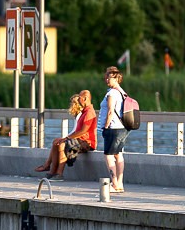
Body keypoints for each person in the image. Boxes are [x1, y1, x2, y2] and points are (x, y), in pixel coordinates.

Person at [34, 90, 97, 179]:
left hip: (86, 143)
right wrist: (66, 138)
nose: (78, 101)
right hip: (80, 140)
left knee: (62, 144)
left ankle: (59, 174)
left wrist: (66, 138)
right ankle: (51, 170)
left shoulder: (89, 112)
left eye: (79, 98)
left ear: (85, 99)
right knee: (56, 141)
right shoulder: (84, 112)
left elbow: (83, 131)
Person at [97, 66, 129, 194]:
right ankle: (120, 183)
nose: (106, 80)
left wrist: (105, 126)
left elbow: (110, 111)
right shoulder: (121, 92)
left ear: (116, 79)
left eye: (109, 78)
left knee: (108, 156)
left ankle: (114, 184)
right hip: (122, 128)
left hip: (112, 128)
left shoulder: (111, 93)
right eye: (106, 77)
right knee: (118, 155)